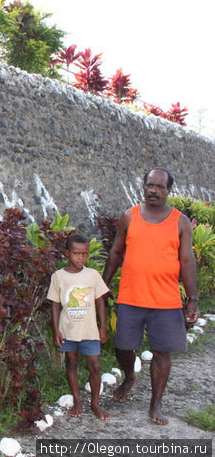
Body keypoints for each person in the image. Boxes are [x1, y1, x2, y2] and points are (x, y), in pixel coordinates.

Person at [102, 167, 199, 425]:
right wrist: (104, 285)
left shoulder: (180, 221)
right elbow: (116, 253)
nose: (154, 190)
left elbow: (187, 261)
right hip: (131, 298)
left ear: (168, 191)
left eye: (160, 187)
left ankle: (155, 403)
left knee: (162, 352)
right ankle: (129, 377)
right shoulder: (129, 216)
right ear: (143, 186)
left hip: (165, 301)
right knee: (122, 347)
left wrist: (192, 299)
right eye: (150, 185)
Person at [48, 234, 111, 420]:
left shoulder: (92, 275)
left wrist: (103, 327)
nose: (80, 258)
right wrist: (56, 331)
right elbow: (55, 305)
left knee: (95, 366)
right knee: (72, 363)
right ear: (67, 253)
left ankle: (95, 403)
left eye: (84, 254)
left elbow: (100, 301)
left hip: (90, 331)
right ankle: (77, 400)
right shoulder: (58, 277)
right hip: (68, 331)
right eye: (76, 253)